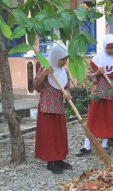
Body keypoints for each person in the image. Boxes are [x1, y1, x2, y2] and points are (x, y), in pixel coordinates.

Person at [75, 34, 113, 157]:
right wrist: (97, 72)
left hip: (111, 96)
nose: (112, 50)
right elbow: (89, 76)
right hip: (97, 95)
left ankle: (104, 144)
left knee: (108, 119)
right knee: (92, 119)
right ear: (105, 46)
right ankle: (87, 146)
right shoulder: (97, 60)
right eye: (110, 48)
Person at [34, 43, 72, 174]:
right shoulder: (44, 68)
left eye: (65, 59)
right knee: (49, 136)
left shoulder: (65, 72)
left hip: (59, 108)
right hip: (47, 109)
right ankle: (51, 162)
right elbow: (36, 87)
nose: (64, 62)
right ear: (55, 57)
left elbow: (67, 86)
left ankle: (59, 159)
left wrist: (68, 93)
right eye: (62, 59)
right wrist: (44, 74)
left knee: (59, 135)